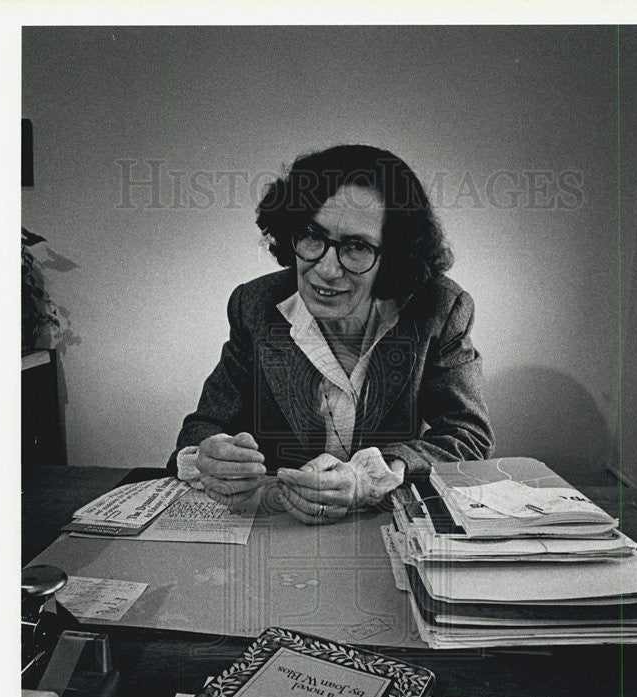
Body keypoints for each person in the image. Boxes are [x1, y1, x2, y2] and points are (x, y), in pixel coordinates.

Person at [170, 144, 494, 524]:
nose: (326, 269)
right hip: (275, 526)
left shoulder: (440, 309)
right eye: (311, 235)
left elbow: (467, 437)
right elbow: (202, 426)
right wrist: (210, 456)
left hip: (379, 525)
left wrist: (370, 479)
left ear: (394, 255)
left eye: (356, 246)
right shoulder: (254, 305)